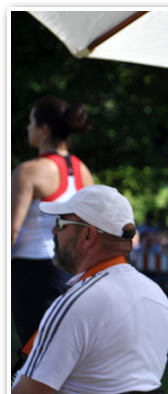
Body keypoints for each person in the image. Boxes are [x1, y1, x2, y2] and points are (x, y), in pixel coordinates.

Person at [11, 185, 168, 394]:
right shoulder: (157, 298)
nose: (54, 231)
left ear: (87, 236)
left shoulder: (79, 301)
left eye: (61, 224)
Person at [11, 96, 95, 346]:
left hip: (34, 271)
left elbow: (11, 229)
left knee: (35, 354)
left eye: (30, 122)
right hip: (72, 272)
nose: (28, 128)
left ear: (43, 128)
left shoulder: (29, 171)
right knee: (65, 353)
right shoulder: (84, 171)